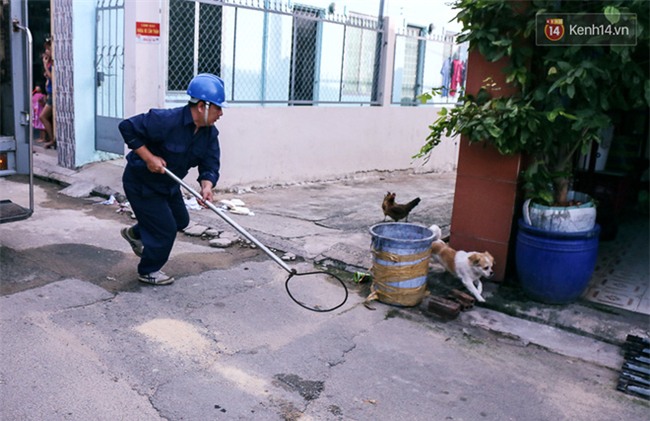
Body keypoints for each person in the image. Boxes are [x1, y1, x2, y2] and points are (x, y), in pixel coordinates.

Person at [119, 73, 226, 285]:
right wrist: (149, 158)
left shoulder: (209, 134)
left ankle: (135, 233)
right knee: (165, 229)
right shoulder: (165, 120)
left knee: (180, 221)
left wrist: (207, 185)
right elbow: (127, 127)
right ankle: (149, 270)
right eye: (218, 107)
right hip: (142, 182)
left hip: (168, 184)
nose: (221, 113)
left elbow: (210, 163)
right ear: (202, 106)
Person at [39, 39, 55, 149]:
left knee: (43, 116)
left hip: (53, 94)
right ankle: (52, 139)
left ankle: (52, 139)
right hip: (49, 93)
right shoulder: (49, 62)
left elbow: (53, 78)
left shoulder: (51, 63)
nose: (46, 51)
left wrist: (45, 66)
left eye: (48, 49)